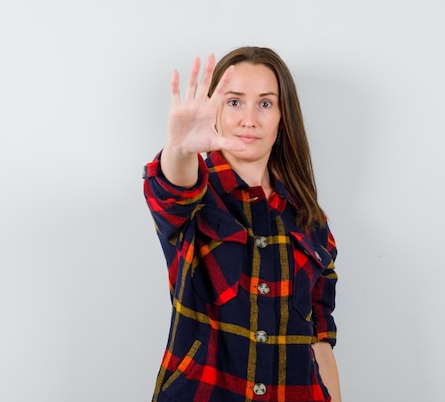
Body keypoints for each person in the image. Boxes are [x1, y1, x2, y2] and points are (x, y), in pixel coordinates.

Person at [143, 46, 341, 402]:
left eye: (265, 103)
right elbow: (169, 190)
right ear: (215, 110)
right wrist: (180, 148)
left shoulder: (311, 220)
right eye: (234, 102)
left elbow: (320, 341)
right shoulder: (195, 194)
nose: (249, 119)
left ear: (283, 116)